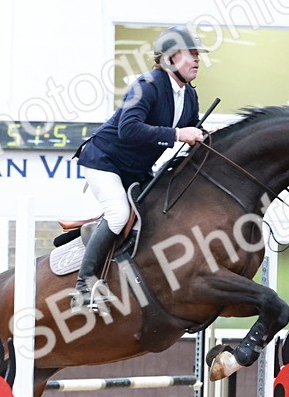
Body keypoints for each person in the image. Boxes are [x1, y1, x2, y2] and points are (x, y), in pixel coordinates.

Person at [72, 25, 207, 311]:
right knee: (119, 213)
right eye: (190, 54)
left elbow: (193, 128)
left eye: (198, 54)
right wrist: (178, 135)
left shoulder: (189, 95)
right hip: (104, 160)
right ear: (169, 59)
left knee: (159, 214)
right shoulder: (146, 85)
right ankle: (84, 286)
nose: (197, 59)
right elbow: (128, 128)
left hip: (135, 169)